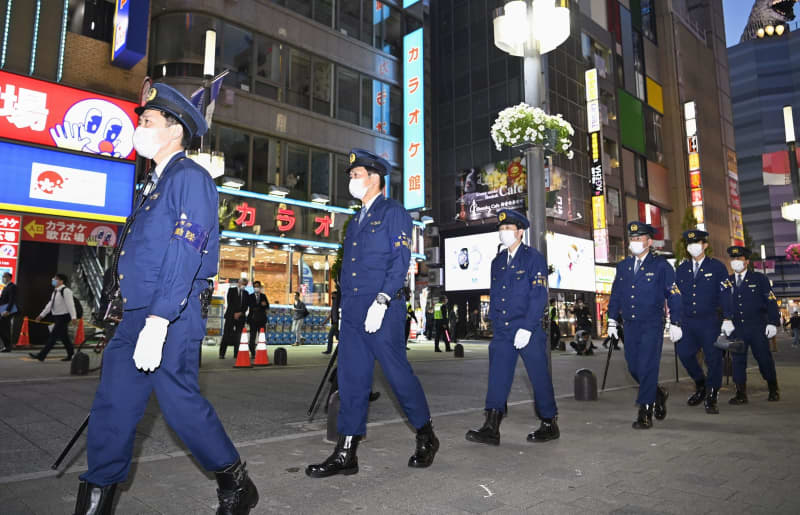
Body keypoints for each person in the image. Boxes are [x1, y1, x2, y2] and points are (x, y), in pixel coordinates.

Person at [73, 83, 257, 514]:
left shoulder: (190, 179)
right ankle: (97, 497)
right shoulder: (152, 185)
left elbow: (185, 248)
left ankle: (234, 480)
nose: (140, 127)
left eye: (147, 120)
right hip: (134, 315)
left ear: (174, 130)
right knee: (112, 408)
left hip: (170, 315)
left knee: (180, 406)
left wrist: (158, 320)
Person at [306, 149, 438, 478]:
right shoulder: (354, 221)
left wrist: (381, 300)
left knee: (397, 376)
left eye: (355, 175)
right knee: (352, 380)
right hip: (352, 310)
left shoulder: (393, 213)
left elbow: (400, 261)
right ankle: (346, 451)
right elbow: (348, 268)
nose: (350, 181)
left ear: (374, 178)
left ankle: (426, 434)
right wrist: (342, 309)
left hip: (382, 308)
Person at [465, 209, 559, 446]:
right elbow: (496, 295)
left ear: (520, 232)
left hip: (528, 328)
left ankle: (549, 423)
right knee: (497, 377)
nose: (503, 232)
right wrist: (495, 323)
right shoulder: (497, 262)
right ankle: (491, 426)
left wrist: (528, 327)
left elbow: (539, 294)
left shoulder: (533, 258)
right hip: (504, 331)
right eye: (501, 228)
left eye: (508, 229)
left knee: (538, 377)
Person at [607, 222, 683, 429]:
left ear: (649, 242)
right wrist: (612, 320)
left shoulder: (661, 266)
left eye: (639, 239)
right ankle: (658, 393)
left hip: (652, 323)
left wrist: (675, 321)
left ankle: (645, 410)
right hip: (630, 324)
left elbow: (673, 294)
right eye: (632, 239)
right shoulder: (623, 266)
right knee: (633, 367)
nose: (635, 243)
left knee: (648, 366)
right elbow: (616, 295)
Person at [674, 230, 734, 414]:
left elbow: (726, 293)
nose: (693, 246)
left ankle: (712, 395)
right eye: (689, 244)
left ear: (705, 245)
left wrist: (728, 317)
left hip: (710, 321)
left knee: (713, 359)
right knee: (684, 353)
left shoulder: (717, 267)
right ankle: (701, 385)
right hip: (688, 321)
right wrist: (674, 321)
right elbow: (676, 296)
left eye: (697, 243)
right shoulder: (682, 269)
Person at [721, 246, 781, 403]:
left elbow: (771, 301)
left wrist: (773, 322)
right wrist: (724, 321)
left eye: (739, 259)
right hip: (736, 329)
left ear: (746, 261)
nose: (736, 262)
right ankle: (741, 394)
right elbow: (721, 304)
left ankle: (773, 388)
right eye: (733, 259)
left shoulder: (759, 279)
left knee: (764, 359)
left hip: (757, 327)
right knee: (738, 361)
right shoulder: (727, 282)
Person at [30, 273, 78, 362]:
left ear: (61, 281)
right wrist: (41, 315)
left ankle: (41, 355)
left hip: (63, 317)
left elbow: (70, 305)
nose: (53, 280)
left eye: (55, 279)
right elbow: (50, 305)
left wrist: (73, 317)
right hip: (57, 316)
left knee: (53, 336)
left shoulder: (66, 291)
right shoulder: (56, 291)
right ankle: (71, 354)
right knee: (64, 337)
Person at [220, 278, 249, 359]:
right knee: (226, 334)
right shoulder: (231, 290)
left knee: (238, 336)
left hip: (241, 317)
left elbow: (246, 306)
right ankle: (222, 353)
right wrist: (234, 313)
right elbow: (230, 303)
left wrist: (240, 313)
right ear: (239, 283)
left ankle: (236, 354)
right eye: (242, 284)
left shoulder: (246, 293)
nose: (243, 286)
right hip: (230, 315)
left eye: (245, 285)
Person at [247, 281, 270, 359]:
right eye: (255, 286)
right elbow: (251, 305)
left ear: (260, 287)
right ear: (253, 287)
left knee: (262, 337)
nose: (256, 288)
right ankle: (253, 353)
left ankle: (261, 352)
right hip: (253, 319)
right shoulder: (250, 296)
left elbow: (267, 305)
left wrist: (263, 305)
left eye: (258, 286)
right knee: (252, 337)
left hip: (262, 319)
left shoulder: (263, 296)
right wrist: (260, 305)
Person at [0, 272, 18, 352]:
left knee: (5, 328)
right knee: (3, 328)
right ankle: (7, 346)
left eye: (5, 276)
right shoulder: (5, 287)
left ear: (10, 278)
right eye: (2, 276)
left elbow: (12, 300)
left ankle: (8, 346)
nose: (3, 278)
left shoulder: (12, 287)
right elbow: (2, 299)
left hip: (7, 311)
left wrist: (8, 310)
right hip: (2, 310)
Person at [323, 286, 341, 354]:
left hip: (337, 323)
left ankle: (329, 350)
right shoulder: (334, 303)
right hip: (334, 322)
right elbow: (331, 313)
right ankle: (337, 351)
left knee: (330, 336)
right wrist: (326, 321)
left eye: (333, 295)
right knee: (338, 337)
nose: (332, 297)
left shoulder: (337, 303)